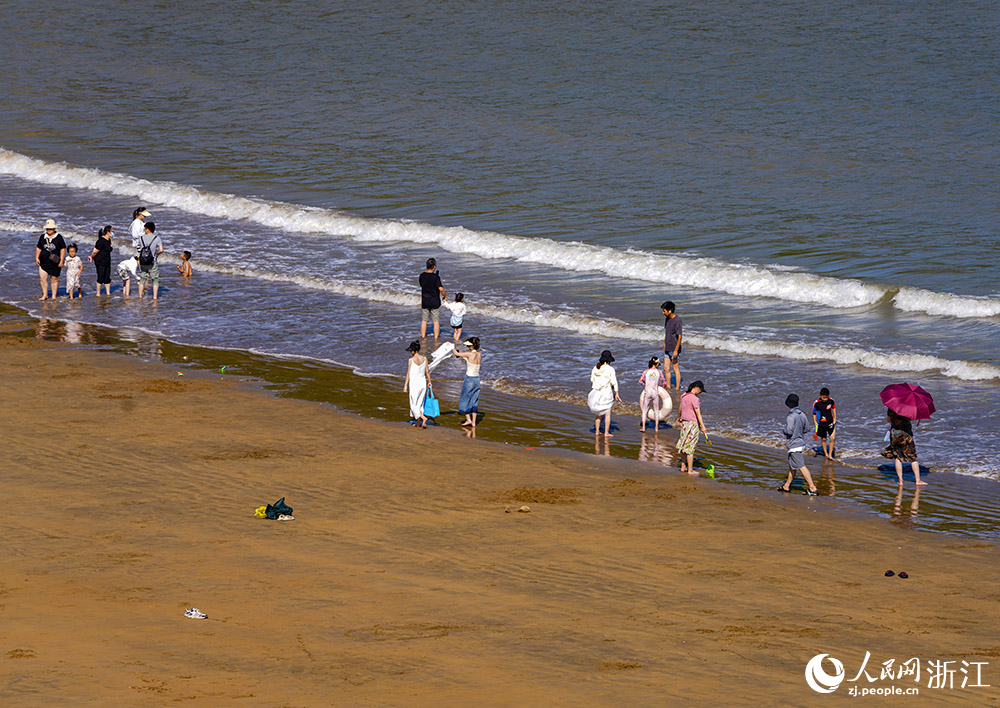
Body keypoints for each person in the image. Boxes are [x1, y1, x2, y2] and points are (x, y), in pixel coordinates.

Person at [778, 394, 819, 495]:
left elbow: (789, 431)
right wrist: (799, 432)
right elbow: (807, 428)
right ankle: (786, 486)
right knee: (793, 466)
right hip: (800, 442)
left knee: (801, 466)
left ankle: (812, 488)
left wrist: (783, 430)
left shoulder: (790, 416)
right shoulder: (802, 414)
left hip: (794, 444)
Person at [882, 410, 927, 487]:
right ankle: (918, 480)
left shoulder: (891, 408)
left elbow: (888, 420)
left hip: (895, 434)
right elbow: (912, 419)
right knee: (912, 457)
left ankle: (900, 480)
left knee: (898, 456)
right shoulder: (908, 408)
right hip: (906, 435)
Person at [675, 380, 707, 474]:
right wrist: (703, 426)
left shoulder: (684, 395)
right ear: (697, 388)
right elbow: (698, 414)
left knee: (684, 445)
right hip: (693, 424)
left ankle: (683, 466)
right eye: (700, 391)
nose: (700, 393)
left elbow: (680, 408)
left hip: (685, 424)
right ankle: (690, 470)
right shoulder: (695, 399)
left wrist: (679, 417)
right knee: (690, 448)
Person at [588, 350, 622, 437]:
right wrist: (617, 393)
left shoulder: (595, 368)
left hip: (596, 393)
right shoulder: (610, 369)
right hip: (606, 392)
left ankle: (597, 431)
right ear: (608, 360)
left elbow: (592, 380)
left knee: (598, 414)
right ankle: (606, 433)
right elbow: (614, 382)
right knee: (607, 414)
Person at [454, 336, 482, 428]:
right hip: (477, 379)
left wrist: (452, 346)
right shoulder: (479, 354)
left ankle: (468, 419)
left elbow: (456, 353)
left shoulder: (469, 354)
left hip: (469, 379)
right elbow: (471, 362)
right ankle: (473, 422)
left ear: (471, 346)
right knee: (474, 399)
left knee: (465, 398)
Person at [35, 218, 66, 300]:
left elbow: (63, 249)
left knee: (54, 278)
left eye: (50, 229)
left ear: (54, 229)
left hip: (55, 262)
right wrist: (37, 257)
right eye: (47, 228)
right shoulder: (43, 237)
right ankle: (45, 295)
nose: (49, 230)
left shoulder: (59, 237)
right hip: (43, 261)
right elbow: (39, 248)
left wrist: (61, 260)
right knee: (42, 278)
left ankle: (54, 296)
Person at [638, 356, 672, 430]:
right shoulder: (659, 372)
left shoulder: (646, 371)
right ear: (656, 364)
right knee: (656, 410)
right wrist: (663, 387)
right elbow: (664, 381)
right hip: (655, 392)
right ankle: (656, 427)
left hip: (647, 392)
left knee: (644, 410)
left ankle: (643, 427)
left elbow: (640, 381)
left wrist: (645, 384)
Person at [403, 340, 431, 428]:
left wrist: (405, 386)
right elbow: (427, 371)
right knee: (420, 403)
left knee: (413, 404)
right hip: (423, 382)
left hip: (414, 383)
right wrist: (429, 381)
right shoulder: (424, 358)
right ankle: (418, 423)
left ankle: (423, 417)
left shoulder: (411, 360)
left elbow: (408, 373)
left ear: (413, 350)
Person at [419, 258, 447, 339]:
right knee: (435, 321)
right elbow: (441, 289)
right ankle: (436, 338)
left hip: (425, 301)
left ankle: (423, 337)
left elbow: (422, 285)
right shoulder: (435, 277)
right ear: (434, 267)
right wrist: (444, 296)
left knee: (424, 320)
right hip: (434, 301)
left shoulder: (422, 275)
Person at [136, 221, 164, 300]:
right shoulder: (157, 238)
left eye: (145, 229)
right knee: (155, 279)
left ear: (148, 229)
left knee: (142, 279)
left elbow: (140, 249)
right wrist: (157, 253)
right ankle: (155, 297)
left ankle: (140, 297)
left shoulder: (141, 238)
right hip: (152, 260)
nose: (144, 230)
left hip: (143, 261)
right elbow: (161, 250)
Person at [661, 300, 683, 391]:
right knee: (666, 368)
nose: (663, 313)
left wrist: (676, 350)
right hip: (668, 347)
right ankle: (669, 386)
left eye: (664, 311)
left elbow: (680, 337)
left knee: (675, 368)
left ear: (670, 311)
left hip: (674, 348)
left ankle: (677, 388)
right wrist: (665, 343)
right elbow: (668, 332)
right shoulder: (667, 319)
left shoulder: (677, 320)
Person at [812, 387, 838, 460]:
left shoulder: (831, 401)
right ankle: (826, 454)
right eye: (824, 397)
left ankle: (830, 455)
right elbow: (814, 413)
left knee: (832, 438)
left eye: (826, 397)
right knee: (824, 439)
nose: (825, 399)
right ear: (820, 395)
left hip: (830, 422)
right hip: (821, 423)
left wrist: (835, 418)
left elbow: (834, 408)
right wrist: (815, 422)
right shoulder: (816, 403)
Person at [89, 225, 114, 296]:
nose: (113, 233)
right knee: (100, 277)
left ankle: (108, 293)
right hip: (100, 261)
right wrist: (92, 257)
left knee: (107, 277)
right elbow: (95, 251)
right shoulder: (100, 241)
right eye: (112, 231)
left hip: (107, 261)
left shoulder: (109, 240)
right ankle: (98, 293)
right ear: (108, 232)